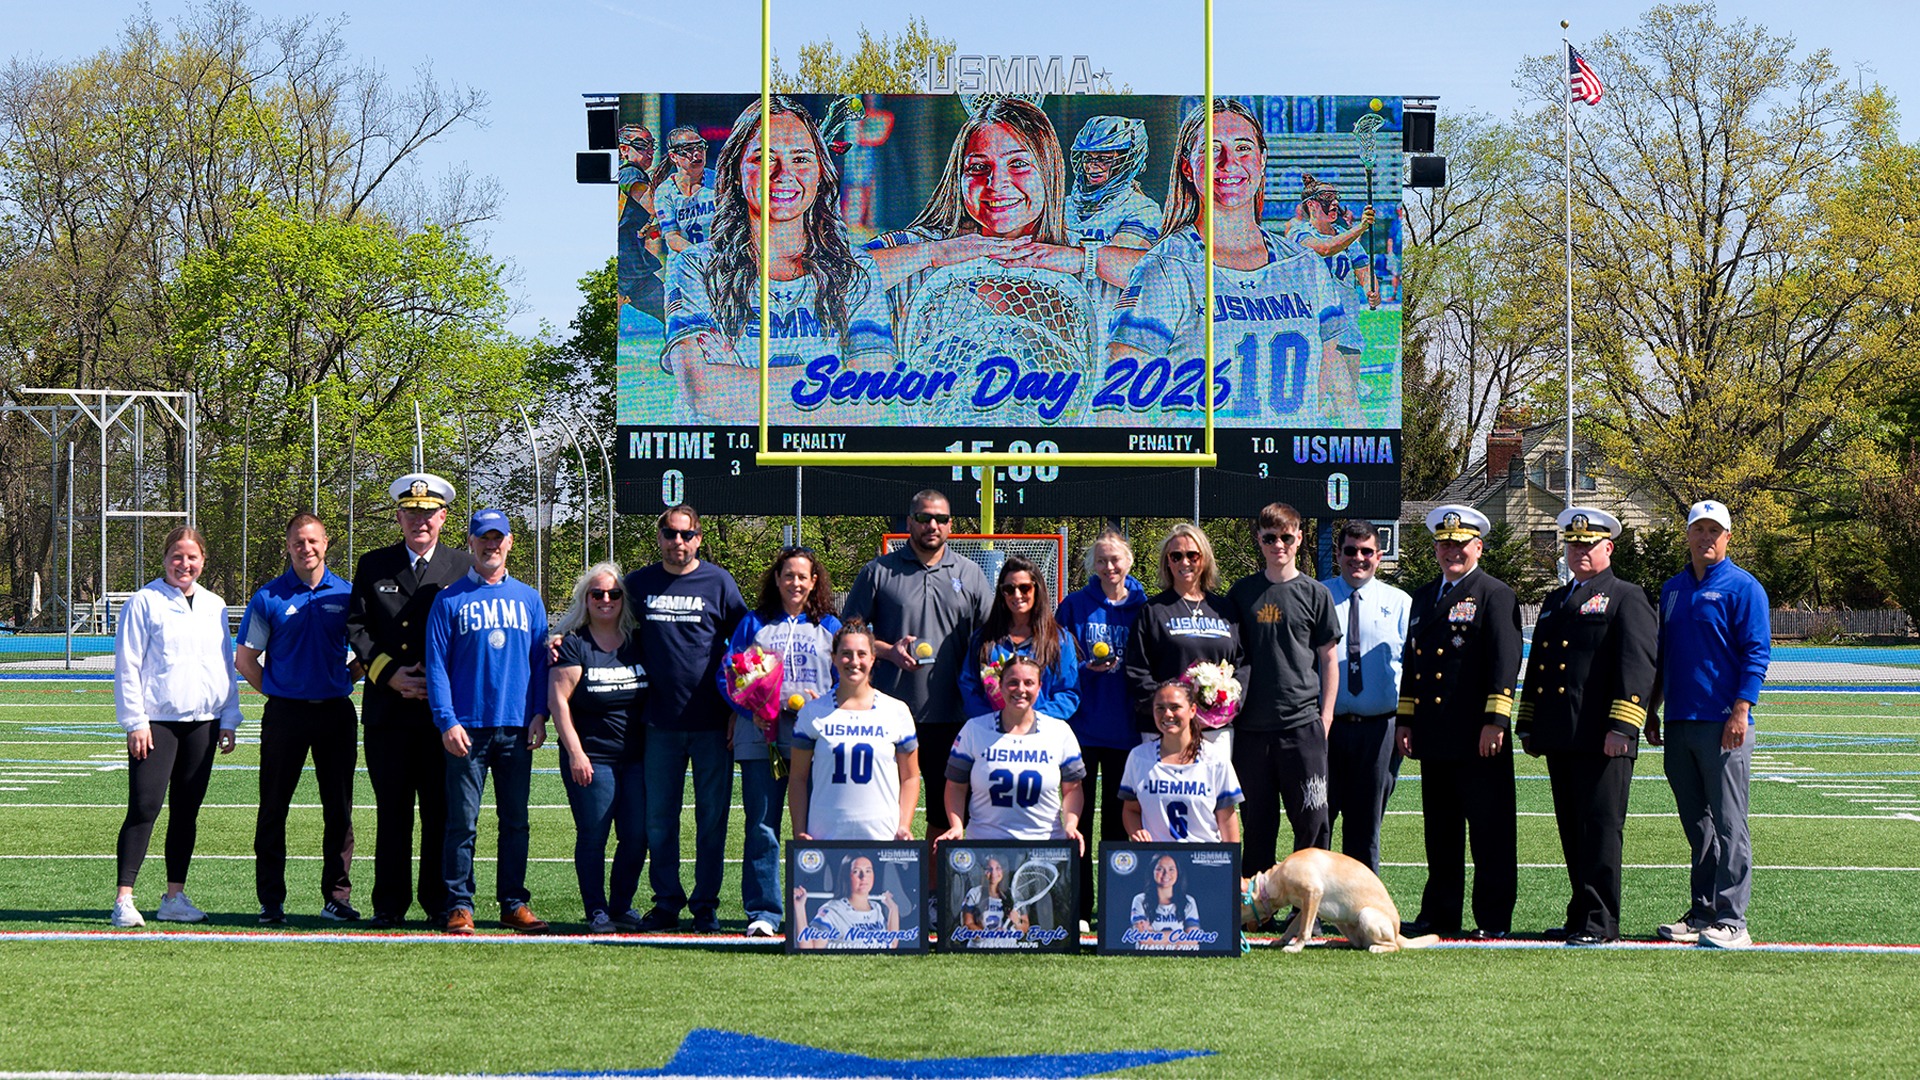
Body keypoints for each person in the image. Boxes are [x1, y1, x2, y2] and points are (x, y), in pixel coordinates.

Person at [1108, 98, 1366, 427]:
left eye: (1243, 148)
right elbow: (1118, 406)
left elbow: (1340, 392)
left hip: (1288, 472)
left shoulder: (1306, 267)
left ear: (1262, 160)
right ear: (1188, 167)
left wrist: (1362, 469)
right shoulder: (1167, 266)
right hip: (1198, 474)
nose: (1229, 163)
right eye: (1212, 148)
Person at [663, 98, 892, 423]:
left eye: (800, 158)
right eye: (763, 158)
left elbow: (872, 396)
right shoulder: (696, 267)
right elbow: (705, 395)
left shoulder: (855, 271)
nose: (783, 174)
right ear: (734, 169)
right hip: (717, 468)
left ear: (820, 172)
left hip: (826, 465)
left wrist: (740, 375)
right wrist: (838, 373)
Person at [1516, 508, 1657, 946]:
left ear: (1608, 548)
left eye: (1588, 544)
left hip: (1603, 738)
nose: (1579, 551)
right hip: (1562, 734)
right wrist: (1529, 722)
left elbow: (1638, 667)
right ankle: (1580, 913)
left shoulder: (1626, 596)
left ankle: (1600, 921)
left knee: (1599, 831)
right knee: (1572, 830)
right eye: (1573, 544)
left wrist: (1624, 727)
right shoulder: (1558, 600)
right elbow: (1539, 665)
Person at [347, 473, 474, 929]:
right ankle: (390, 904)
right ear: (398, 516)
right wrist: (388, 674)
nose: (420, 521)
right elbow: (357, 628)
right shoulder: (373, 563)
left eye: (428, 513)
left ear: (443, 516)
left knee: (441, 811)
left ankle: (440, 903)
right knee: (393, 812)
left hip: (443, 713)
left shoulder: (463, 566)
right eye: (411, 512)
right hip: (389, 709)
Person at [1648, 499, 1771, 950]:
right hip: (1679, 723)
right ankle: (1702, 911)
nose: (1706, 538)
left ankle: (1732, 918)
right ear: (1688, 536)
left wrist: (1741, 710)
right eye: (1698, 530)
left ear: (1728, 537)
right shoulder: (1673, 589)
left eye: (1713, 531)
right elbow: (1663, 658)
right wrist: (1652, 708)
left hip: (1723, 724)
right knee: (1697, 825)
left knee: (1730, 823)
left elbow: (1757, 653)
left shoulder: (1745, 588)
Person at [1397, 505, 1522, 940]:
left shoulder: (1494, 594)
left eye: (1461, 544)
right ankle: (1440, 914)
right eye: (1445, 543)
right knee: (1441, 834)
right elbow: (1413, 665)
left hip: (1477, 735)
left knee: (1490, 833)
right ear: (1435, 546)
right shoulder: (1424, 596)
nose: (1452, 551)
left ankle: (1493, 919)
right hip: (1434, 734)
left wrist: (1496, 721)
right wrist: (1406, 721)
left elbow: (1505, 663)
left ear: (1478, 547)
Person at [109, 526, 242, 927]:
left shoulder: (215, 605)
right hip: (157, 724)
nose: (185, 564)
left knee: (186, 812)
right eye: (177, 556)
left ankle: (174, 897)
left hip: (203, 724)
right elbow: (127, 665)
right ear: (164, 558)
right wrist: (135, 721)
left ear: (203, 560)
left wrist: (229, 717)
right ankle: (124, 899)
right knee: (145, 806)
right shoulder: (143, 602)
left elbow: (225, 665)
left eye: (192, 557)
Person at [426, 509, 550, 935]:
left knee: (516, 821)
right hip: (467, 728)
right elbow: (436, 666)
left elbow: (539, 663)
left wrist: (539, 713)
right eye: (483, 538)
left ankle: (513, 902)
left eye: (498, 538)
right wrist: (447, 721)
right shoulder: (449, 600)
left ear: (510, 542)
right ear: (471, 543)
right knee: (462, 821)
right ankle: (459, 904)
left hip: (516, 728)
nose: (491, 545)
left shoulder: (529, 599)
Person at [842, 489, 991, 840]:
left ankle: (934, 892)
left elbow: (991, 638)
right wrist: (887, 650)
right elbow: (849, 633)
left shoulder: (970, 574)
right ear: (910, 522)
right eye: (924, 518)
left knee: (947, 813)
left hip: (953, 715)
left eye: (940, 518)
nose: (932, 525)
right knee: (885, 810)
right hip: (888, 714)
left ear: (951, 524)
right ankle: (889, 888)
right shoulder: (878, 571)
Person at [235, 512, 361, 924]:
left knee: (338, 810)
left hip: (336, 713)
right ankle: (271, 902)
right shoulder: (269, 596)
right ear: (287, 546)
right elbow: (245, 659)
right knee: (273, 808)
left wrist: (347, 677)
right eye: (297, 542)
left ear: (326, 543)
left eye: (313, 541)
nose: (305, 548)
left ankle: (336, 898)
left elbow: (368, 652)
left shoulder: (347, 594)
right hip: (284, 715)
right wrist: (277, 691)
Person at [627, 504, 747, 932]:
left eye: (687, 534)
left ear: (699, 538)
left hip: (712, 723)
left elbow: (746, 643)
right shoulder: (637, 584)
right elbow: (604, 626)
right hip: (658, 723)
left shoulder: (719, 581)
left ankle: (705, 905)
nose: (679, 541)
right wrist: (564, 635)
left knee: (711, 821)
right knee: (659, 821)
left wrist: (739, 707)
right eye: (671, 533)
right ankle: (666, 901)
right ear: (659, 536)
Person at [721, 546, 842, 937]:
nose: (795, 583)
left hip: (815, 738)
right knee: (762, 824)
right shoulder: (754, 622)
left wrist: (825, 705)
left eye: (802, 576)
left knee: (816, 825)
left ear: (814, 582)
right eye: (788, 575)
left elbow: (848, 677)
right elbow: (728, 672)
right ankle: (764, 911)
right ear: (776, 579)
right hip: (760, 734)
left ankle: (822, 904)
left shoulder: (830, 626)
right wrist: (747, 710)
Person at [1223, 502, 1340, 876]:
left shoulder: (1315, 593)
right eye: (1270, 537)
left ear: (1299, 538)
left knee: (1312, 821)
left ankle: (1307, 906)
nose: (1279, 545)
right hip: (1252, 728)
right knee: (1257, 824)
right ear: (1259, 539)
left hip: (1302, 726)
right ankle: (1256, 908)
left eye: (1286, 537)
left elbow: (1330, 660)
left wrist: (1325, 717)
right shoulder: (1242, 593)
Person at [548, 562, 649, 934]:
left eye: (614, 594)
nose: (606, 600)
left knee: (637, 835)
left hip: (636, 757)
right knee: (594, 833)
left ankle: (622, 905)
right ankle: (597, 910)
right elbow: (558, 702)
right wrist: (575, 753)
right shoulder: (573, 644)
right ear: (585, 599)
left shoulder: (638, 641)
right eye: (597, 594)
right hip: (592, 757)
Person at [1055, 528, 1148, 927]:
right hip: (1081, 729)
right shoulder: (1074, 606)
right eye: (1101, 560)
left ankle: (1114, 907)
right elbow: (1054, 660)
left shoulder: (1145, 607)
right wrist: (1082, 668)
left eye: (1116, 559)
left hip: (1127, 731)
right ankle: (1076, 908)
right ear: (1092, 565)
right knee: (1075, 824)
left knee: (1118, 823)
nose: (1109, 567)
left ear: (1129, 562)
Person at [1320, 519, 1410, 874]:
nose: (1358, 558)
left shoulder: (1400, 602)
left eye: (1366, 551)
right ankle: (1310, 907)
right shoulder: (1318, 595)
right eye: (1350, 551)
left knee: (1366, 827)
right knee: (1318, 823)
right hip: (1326, 728)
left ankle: (1360, 909)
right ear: (1338, 555)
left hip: (1380, 730)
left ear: (1379, 555)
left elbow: (1411, 668)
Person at [938, 656, 1087, 853]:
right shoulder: (974, 729)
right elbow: (956, 786)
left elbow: (1073, 789)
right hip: (986, 844)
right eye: (1013, 683)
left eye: (1029, 683)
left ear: (1040, 686)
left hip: (1044, 845)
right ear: (1000, 685)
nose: (1021, 689)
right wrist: (957, 825)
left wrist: (1070, 824)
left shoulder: (1059, 731)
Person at [790, 621, 920, 842]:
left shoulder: (896, 711)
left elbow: (910, 776)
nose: (854, 661)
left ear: (873, 658)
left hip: (883, 835)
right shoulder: (812, 713)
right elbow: (798, 778)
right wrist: (800, 831)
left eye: (862, 654)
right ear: (833, 657)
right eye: (846, 654)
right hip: (825, 835)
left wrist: (904, 825)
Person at [1123, 523, 1246, 751]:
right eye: (1176, 556)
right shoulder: (1153, 611)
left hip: (1216, 732)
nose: (1184, 562)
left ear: (1204, 559)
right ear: (1167, 561)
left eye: (1192, 555)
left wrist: (1227, 701)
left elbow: (1242, 663)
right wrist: (1171, 707)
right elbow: (1137, 670)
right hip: (1164, 728)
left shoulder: (1225, 609)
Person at [1120, 680, 1244, 844]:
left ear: (1192, 710)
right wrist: (1137, 832)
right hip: (1156, 861)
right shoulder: (1139, 757)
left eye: (1175, 707)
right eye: (1160, 708)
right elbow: (1131, 810)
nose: (1168, 714)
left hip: (1203, 860)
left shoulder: (1215, 759)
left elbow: (1227, 818)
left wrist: (1231, 866)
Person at [958, 556, 1080, 720]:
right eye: (1009, 589)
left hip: (1041, 734)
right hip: (992, 733)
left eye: (1024, 588)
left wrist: (1033, 720)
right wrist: (994, 720)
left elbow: (1068, 692)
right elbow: (969, 686)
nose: (1017, 595)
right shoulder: (984, 638)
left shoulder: (1060, 640)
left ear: (1037, 589)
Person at [1285, 175, 1381, 310]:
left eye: (1335, 197)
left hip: (1347, 319)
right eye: (1327, 198)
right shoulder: (1298, 234)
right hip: (1313, 317)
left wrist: (1372, 290)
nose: (1335, 202)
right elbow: (1325, 249)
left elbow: (1364, 271)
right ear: (1311, 204)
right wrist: (1361, 227)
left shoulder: (1345, 236)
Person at [792, 854, 902, 950]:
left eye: (868, 871)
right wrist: (799, 908)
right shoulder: (832, 911)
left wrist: (893, 909)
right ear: (846, 876)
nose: (863, 877)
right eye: (856, 871)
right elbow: (809, 948)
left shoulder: (876, 908)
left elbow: (891, 944)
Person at [653, 126, 716, 254]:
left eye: (700, 146)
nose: (697, 153)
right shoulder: (664, 192)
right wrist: (699, 255)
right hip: (682, 267)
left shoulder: (718, 181)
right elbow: (672, 236)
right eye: (688, 149)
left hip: (717, 264)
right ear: (673, 156)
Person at [1128, 854, 1201, 950]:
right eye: (1160, 869)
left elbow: (1193, 940)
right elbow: (1142, 939)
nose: (1166, 874)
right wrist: (1180, 935)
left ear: (1178, 872)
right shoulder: (1140, 900)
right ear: (1152, 872)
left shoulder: (1188, 901)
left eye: (1171, 869)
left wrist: (1153, 934)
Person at [960, 855, 1025, 937]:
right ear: (984, 871)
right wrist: (991, 935)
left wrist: (1017, 922)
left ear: (1003, 871)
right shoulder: (974, 893)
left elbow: (1025, 928)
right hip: (980, 948)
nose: (993, 873)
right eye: (989, 869)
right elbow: (967, 924)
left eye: (998, 868)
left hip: (1008, 948)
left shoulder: (1014, 895)